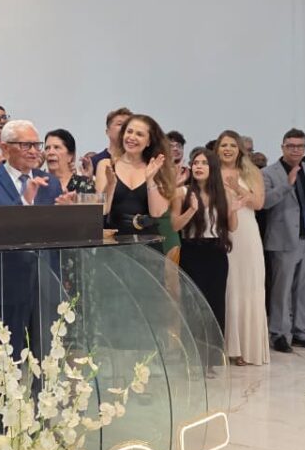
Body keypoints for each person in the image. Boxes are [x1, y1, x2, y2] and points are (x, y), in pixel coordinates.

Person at [0, 119, 72, 349]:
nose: (35, 151)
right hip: (7, 285)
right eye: (26, 145)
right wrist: (24, 201)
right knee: (8, 359)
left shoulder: (51, 183)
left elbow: (55, 234)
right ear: (5, 148)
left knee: (47, 358)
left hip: (45, 284)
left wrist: (67, 215)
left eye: (37, 145)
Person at [261, 129, 305, 352]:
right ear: (282, 147)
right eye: (291, 146)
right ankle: (279, 333)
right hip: (283, 239)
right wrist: (287, 185)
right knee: (282, 291)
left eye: (300, 146)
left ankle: (301, 331)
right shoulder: (268, 173)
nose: (295, 150)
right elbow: (264, 202)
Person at [216, 130, 268, 366]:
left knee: (248, 286)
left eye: (232, 145)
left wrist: (237, 188)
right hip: (220, 230)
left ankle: (246, 348)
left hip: (246, 233)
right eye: (224, 145)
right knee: (228, 286)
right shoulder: (212, 171)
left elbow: (258, 203)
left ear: (240, 150)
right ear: (217, 149)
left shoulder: (251, 172)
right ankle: (227, 348)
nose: (228, 149)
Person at [176, 148, 236, 338]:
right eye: (195, 163)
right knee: (191, 304)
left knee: (215, 303)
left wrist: (233, 209)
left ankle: (215, 350)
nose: (198, 167)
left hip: (216, 251)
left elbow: (232, 227)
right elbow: (175, 225)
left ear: (213, 168)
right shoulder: (182, 192)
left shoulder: (224, 194)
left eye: (204, 163)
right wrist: (192, 210)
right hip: (191, 250)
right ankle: (192, 349)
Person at [95, 114, 175, 249]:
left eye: (139, 134)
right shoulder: (106, 164)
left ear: (149, 141)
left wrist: (150, 180)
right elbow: (102, 209)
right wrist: (111, 184)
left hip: (149, 243)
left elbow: (156, 212)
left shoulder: (156, 167)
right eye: (129, 131)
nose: (132, 137)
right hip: (114, 243)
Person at [44, 129, 95, 194]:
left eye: (56, 147)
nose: (50, 152)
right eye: (47, 148)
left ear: (70, 155)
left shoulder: (83, 184)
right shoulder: (39, 183)